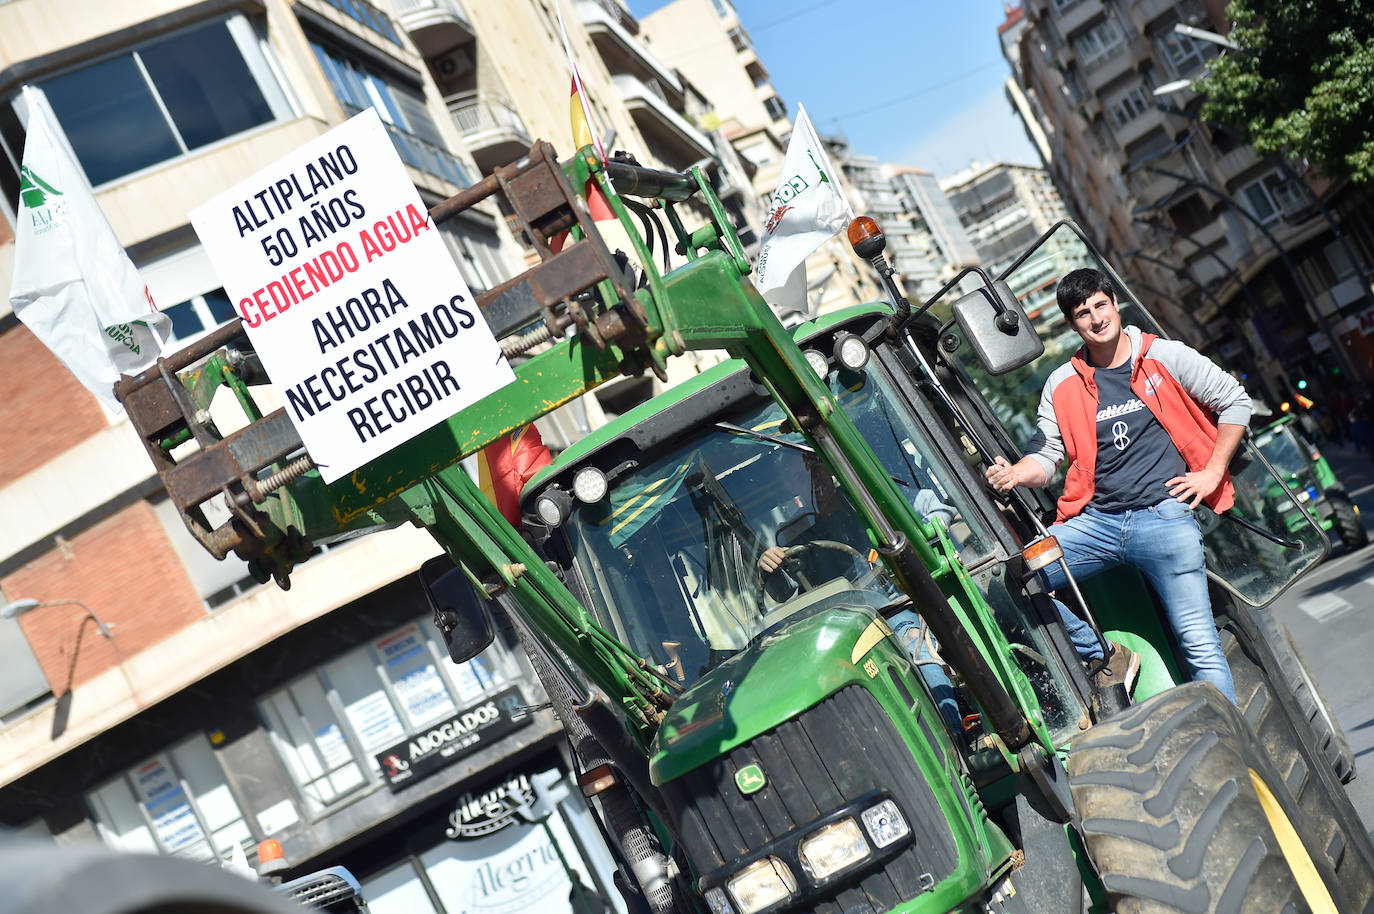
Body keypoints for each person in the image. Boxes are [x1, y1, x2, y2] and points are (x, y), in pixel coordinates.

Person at [984, 268, 1250, 704]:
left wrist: (1212, 472)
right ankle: (1105, 655)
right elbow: (1046, 457)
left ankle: (1239, 752)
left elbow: (1235, 402)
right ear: (1072, 325)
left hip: (1166, 518)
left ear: (1115, 303)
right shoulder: (1062, 384)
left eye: (1100, 305)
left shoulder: (1164, 356)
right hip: (1098, 524)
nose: (1095, 318)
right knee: (1018, 578)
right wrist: (1015, 473)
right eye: (1082, 313)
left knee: (1199, 644)